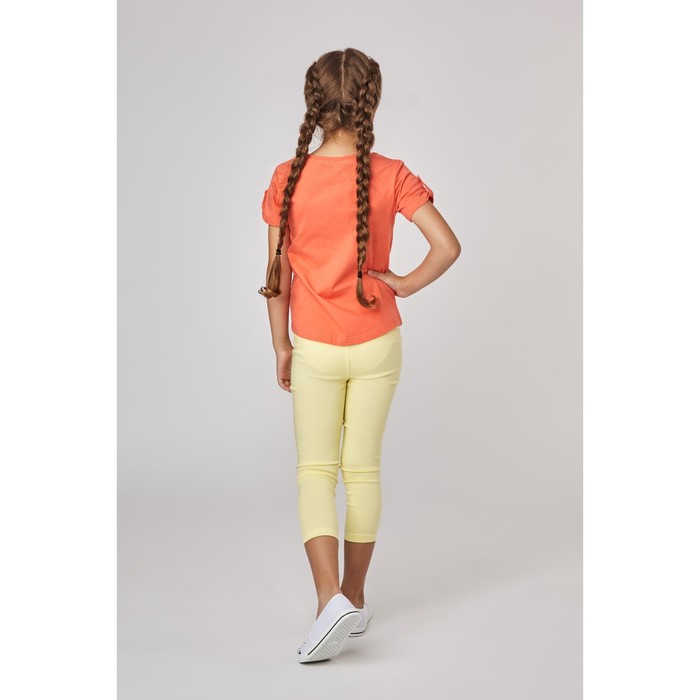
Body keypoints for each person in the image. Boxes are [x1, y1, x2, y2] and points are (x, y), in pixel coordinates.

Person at [258, 48, 461, 663]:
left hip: (316, 348)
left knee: (316, 472)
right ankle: (355, 597)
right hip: (378, 343)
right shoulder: (391, 173)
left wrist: (281, 345)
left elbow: (275, 276)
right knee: (363, 469)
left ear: (313, 104)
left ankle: (329, 603)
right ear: (371, 101)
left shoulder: (288, 177)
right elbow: (447, 246)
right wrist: (402, 284)